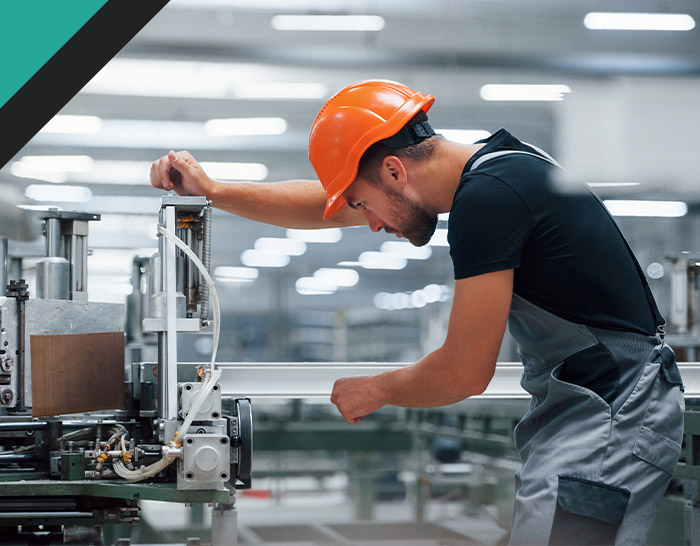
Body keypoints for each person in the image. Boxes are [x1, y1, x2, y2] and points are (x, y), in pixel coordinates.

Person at [151, 79, 684, 544]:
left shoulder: (489, 202)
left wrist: (375, 389)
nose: (373, 225)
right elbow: (323, 205)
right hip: (589, 409)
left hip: (613, 416)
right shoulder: (501, 169)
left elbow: (464, 372)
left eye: (363, 206)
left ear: (394, 170)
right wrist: (215, 191)